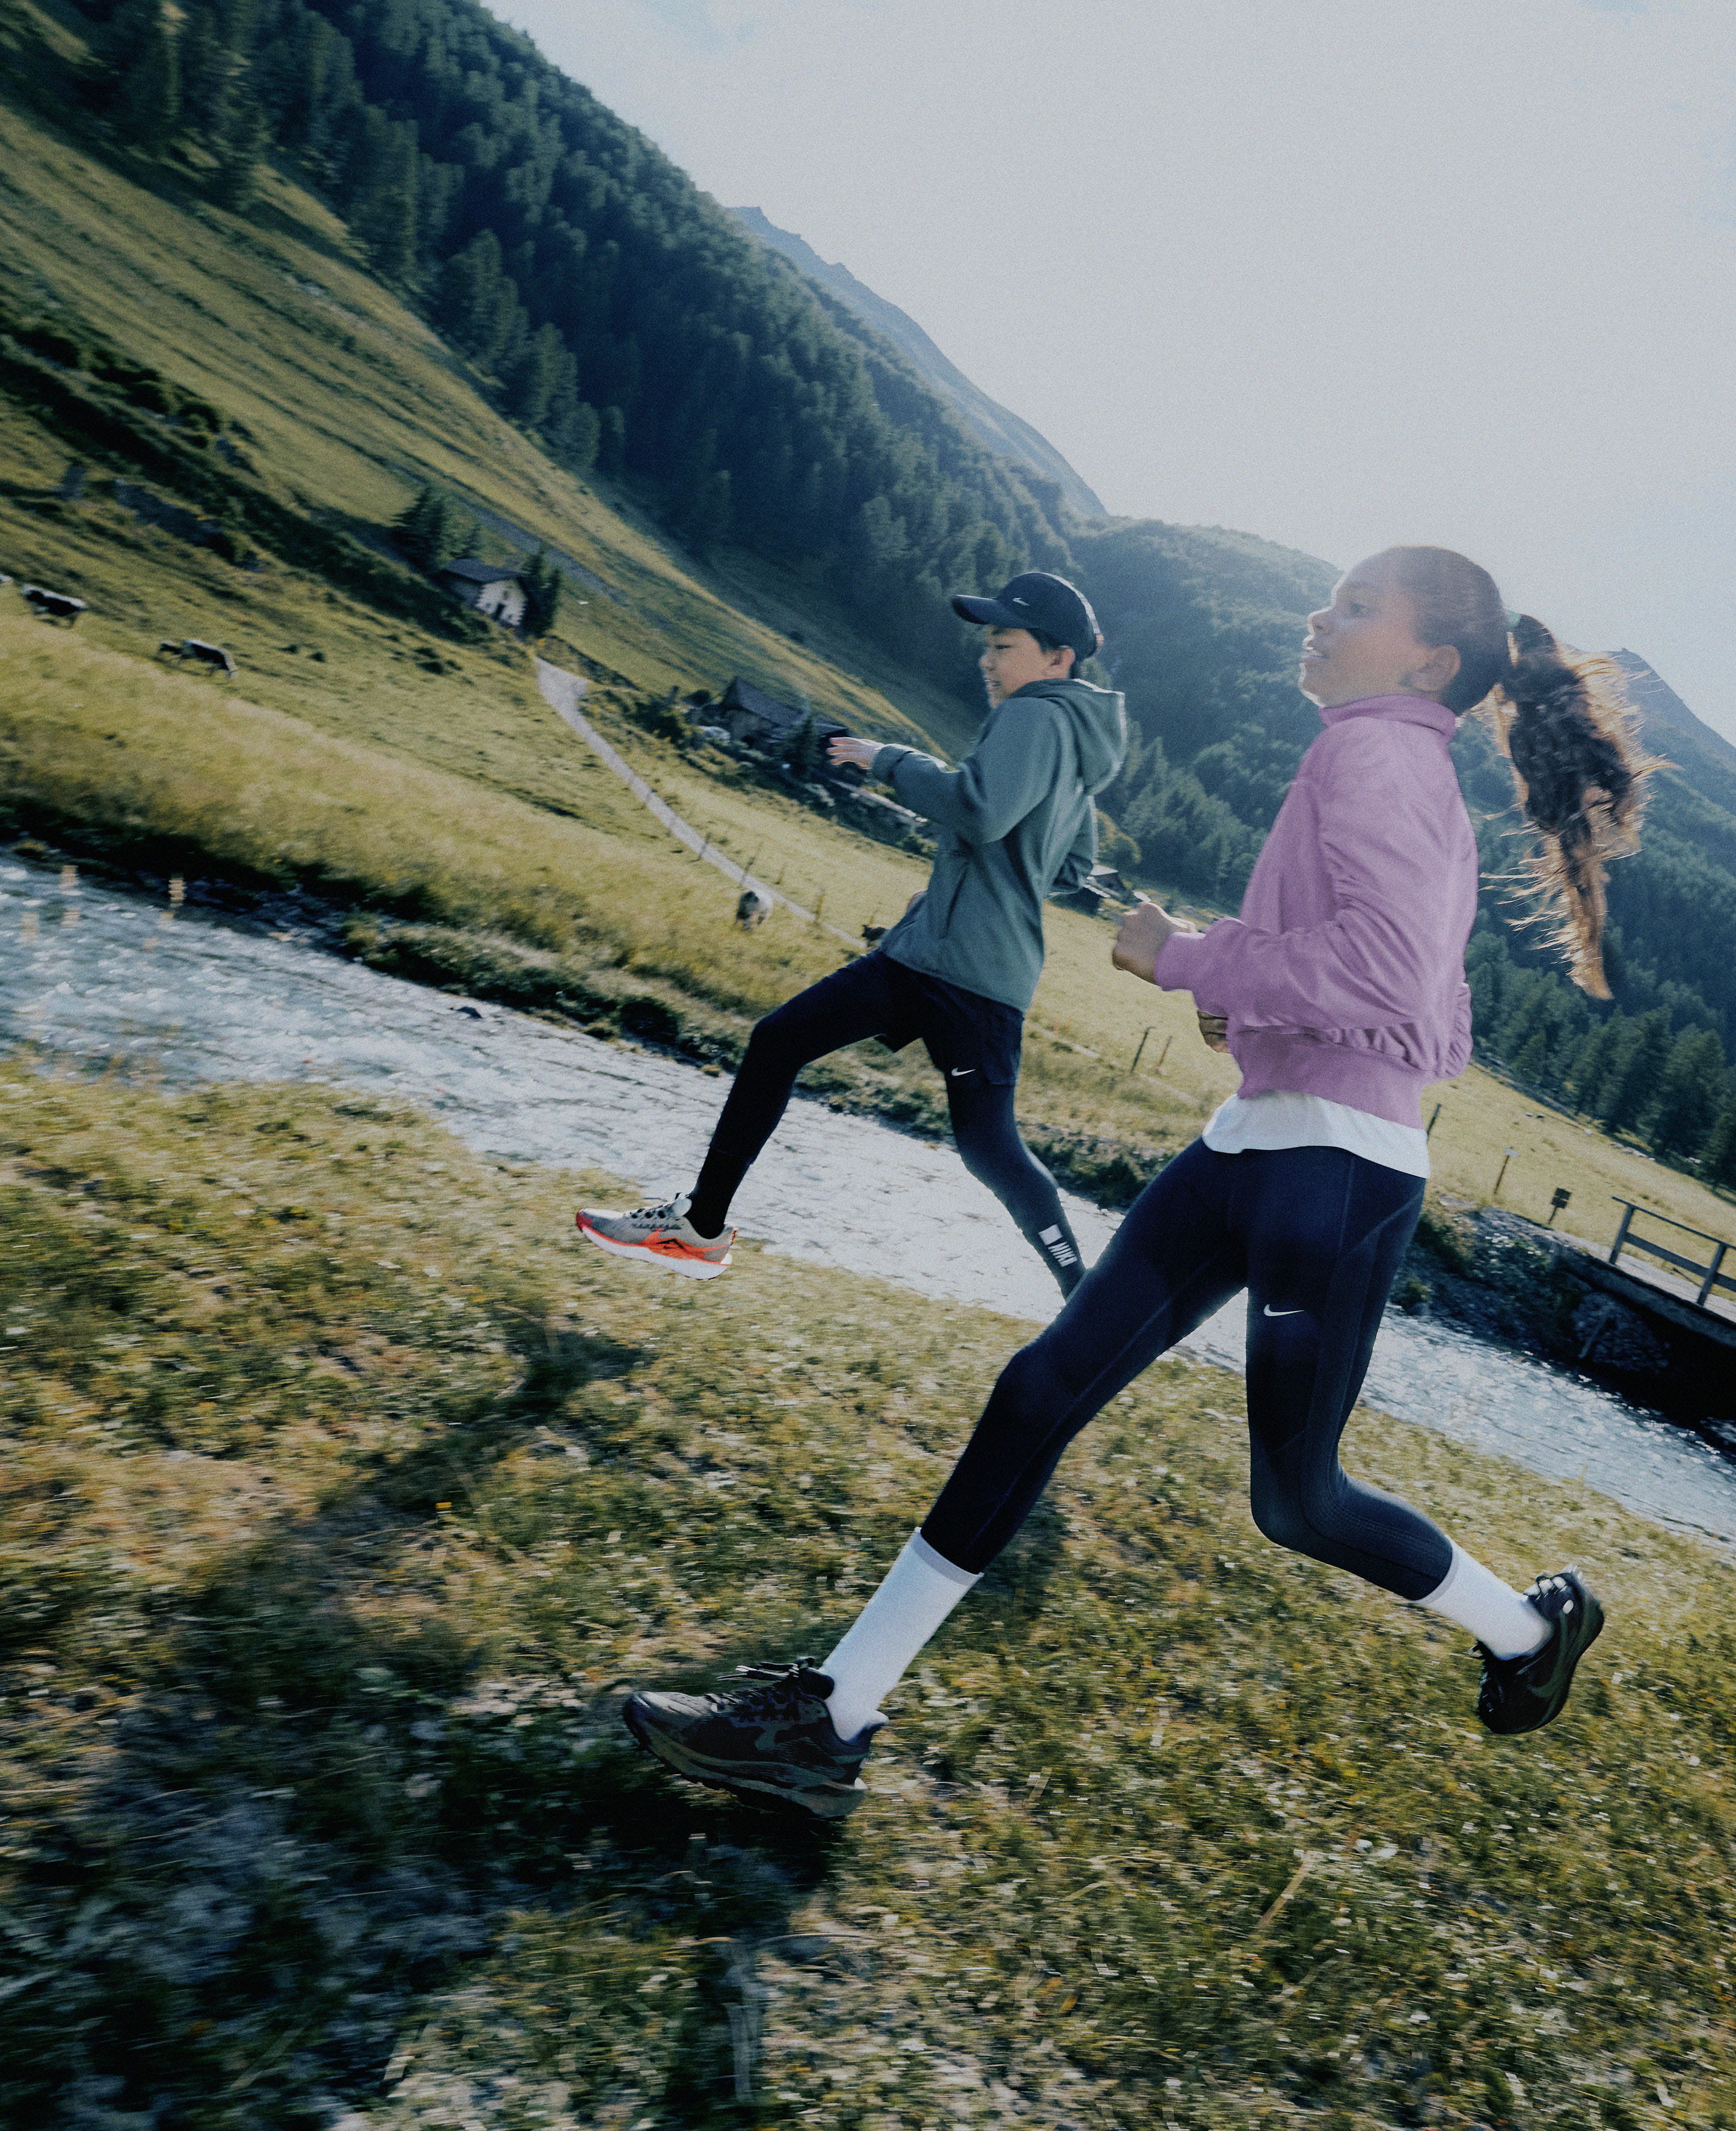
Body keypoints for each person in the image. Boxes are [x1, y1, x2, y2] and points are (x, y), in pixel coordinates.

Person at [624, 546, 1658, 1818]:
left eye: (1354, 606)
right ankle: (828, 1718)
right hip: (1264, 1135)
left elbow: (1393, 983)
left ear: (1428, 661)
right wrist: (1245, 996)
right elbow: (1420, 1005)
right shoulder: (1389, 762)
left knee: (1296, 1496)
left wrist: (1192, 959)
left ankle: (1523, 1629)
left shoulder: (1376, 756)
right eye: (1328, 593)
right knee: (1039, 1388)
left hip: (1334, 1168)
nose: (1317, 614)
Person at [575, 571, 1126, 1299]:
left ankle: (1084, 1297)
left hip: (960, 972)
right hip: (945, 959)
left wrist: (885, 759)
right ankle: (700, 1226)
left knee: (981, 1145)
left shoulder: (1033, 716)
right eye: (986, 646)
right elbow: (1071, 867)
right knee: (806, 1055)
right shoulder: (1080, 750)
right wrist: (963, 890)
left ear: (1058, 658)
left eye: (1004, 644)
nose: (987, 661)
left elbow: (980, 809)